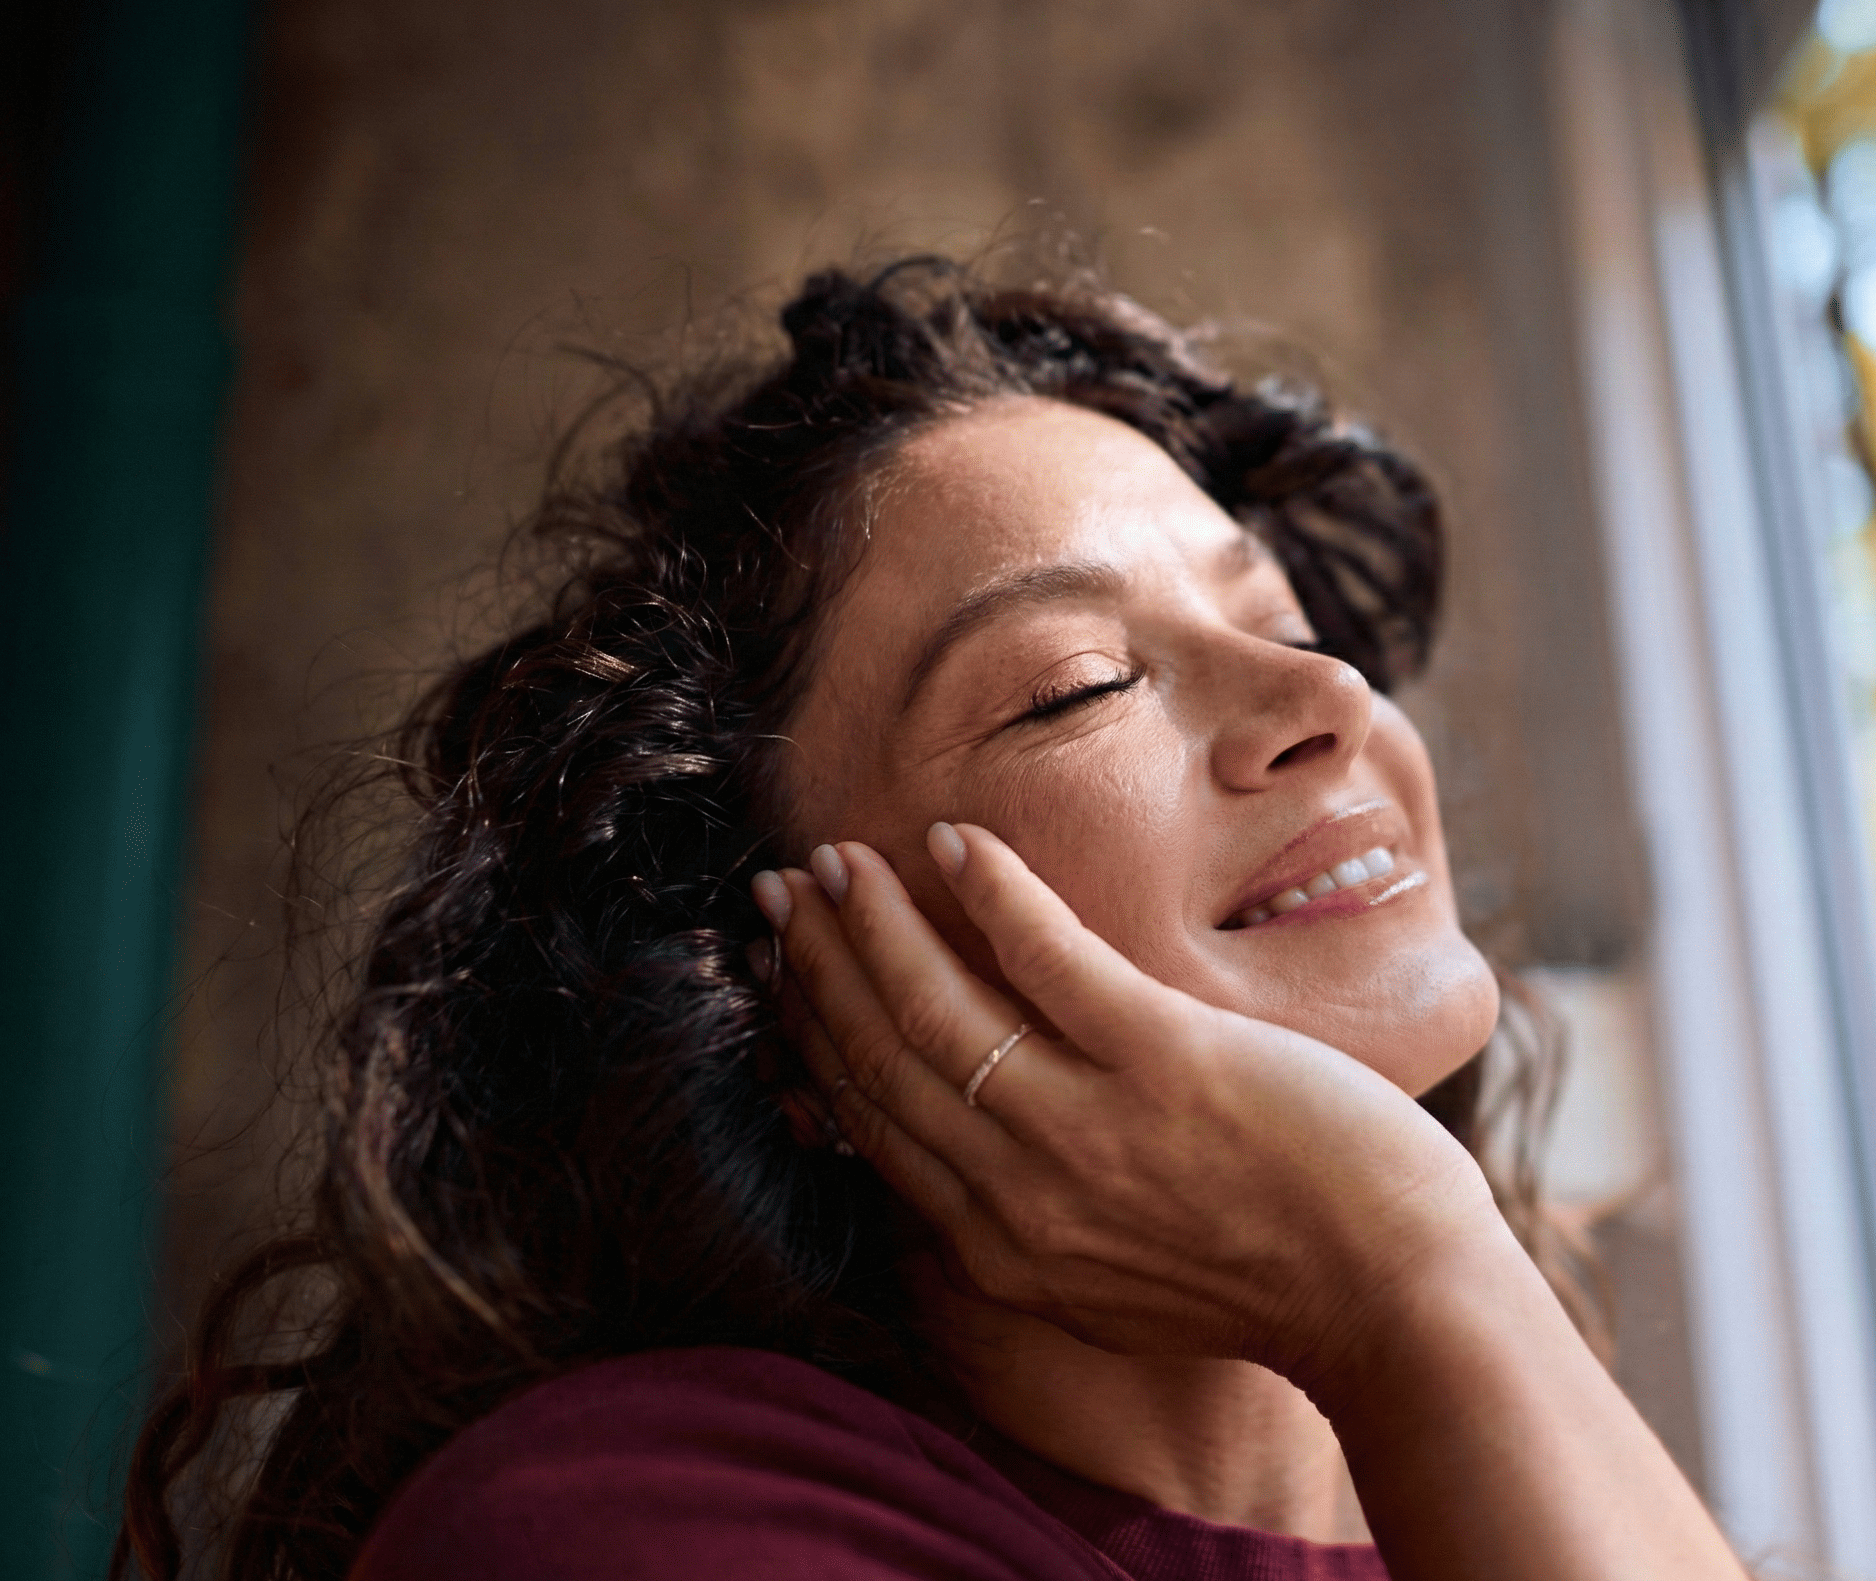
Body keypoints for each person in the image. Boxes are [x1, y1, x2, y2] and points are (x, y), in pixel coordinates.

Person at [118, 259, 1746, 1581]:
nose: (1322, 695)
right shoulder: (623, 1529)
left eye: (1281, 617)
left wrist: (1426, 1297)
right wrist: (1406, 1265)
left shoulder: (1484, 1474)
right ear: (786, 1007)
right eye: (1075, 688)